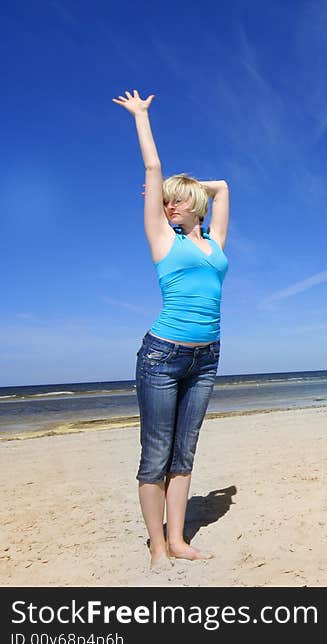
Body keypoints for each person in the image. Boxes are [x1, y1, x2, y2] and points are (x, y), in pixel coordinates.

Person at [113, 90, 230, 571]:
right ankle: (157, 546)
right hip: (163, 356)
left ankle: (178, 539)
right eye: (165, 203)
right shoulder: (164, 239)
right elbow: (153, 169)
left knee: (186, 453)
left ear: (194, 205)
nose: (169, 207)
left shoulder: (215, 241)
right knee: (156, 454)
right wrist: (142, 117)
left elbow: (222, 187)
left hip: (207, 358)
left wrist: (191, 189)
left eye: (178, 203)